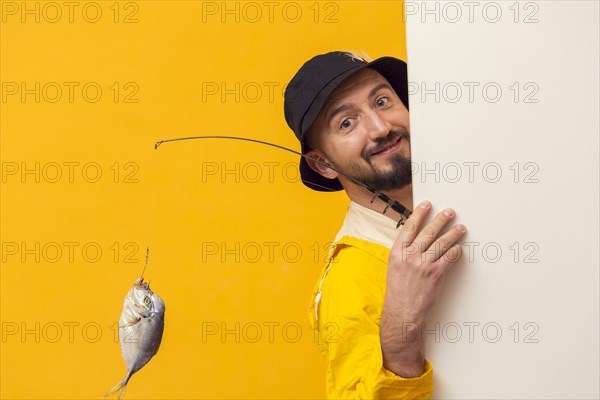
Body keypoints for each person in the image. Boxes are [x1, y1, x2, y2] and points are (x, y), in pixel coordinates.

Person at [283, 51, 467, 399]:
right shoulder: (351, 279)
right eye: (347, 123)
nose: (381, 128)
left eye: (382, 101)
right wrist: (401, 327)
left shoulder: (476, 192)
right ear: (322, 164)